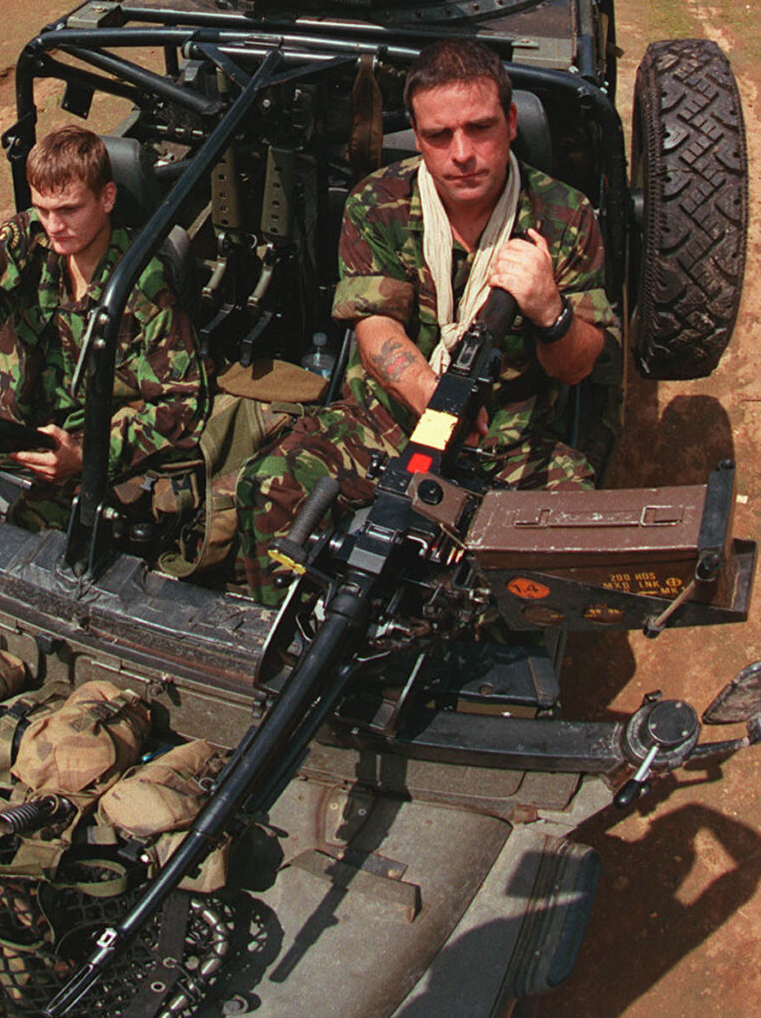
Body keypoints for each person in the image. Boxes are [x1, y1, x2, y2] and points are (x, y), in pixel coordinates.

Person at [236, 38, 618, 605]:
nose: (461, 153)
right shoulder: (378, 202)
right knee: (268, 485)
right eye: (439, 136)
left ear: (511, 123)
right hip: (387, 420)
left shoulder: (564, 215)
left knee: (566, 547)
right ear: (418, 139)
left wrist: (549, 309)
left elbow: (579, 366)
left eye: (480, 128)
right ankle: (282, 633)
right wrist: (434, 400)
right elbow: (375, 328)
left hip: (507, 443)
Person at [0, 125, 210, 530]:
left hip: (90, 448)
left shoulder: (142, 287)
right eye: (43, 209)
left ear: (107, 198)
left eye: (69, 210)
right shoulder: (24, 241)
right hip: (14, 426)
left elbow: (183, 404)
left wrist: (85, 455)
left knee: (25, 544)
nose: (53, 225)